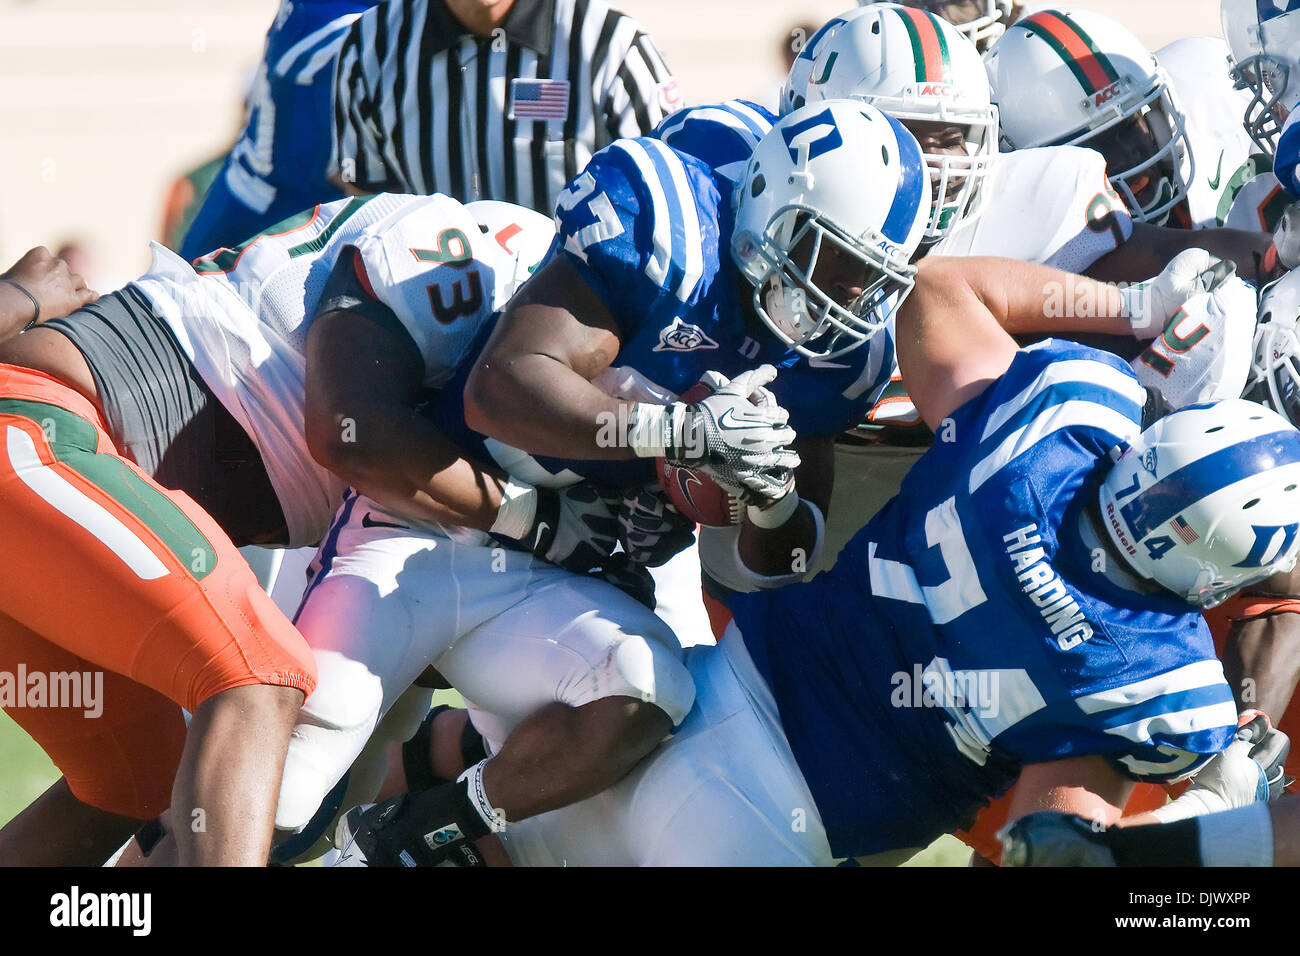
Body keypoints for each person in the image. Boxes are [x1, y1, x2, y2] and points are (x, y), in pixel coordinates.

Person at [440, 249, 1298, 866]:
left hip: (700, 700)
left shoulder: (1054, 426)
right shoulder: (1155, 680)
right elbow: (1053, 855)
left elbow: (941, 286)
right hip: (779, 832)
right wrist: (1217, 801)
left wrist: (1132, 307)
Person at [0, 193, 558, 865]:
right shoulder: (481, 257)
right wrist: (532, 516)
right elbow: (349, 433)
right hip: (39, 433)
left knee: (136, 779)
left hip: (50, 474)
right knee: (253, 679)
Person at [329, 0, 681, 215]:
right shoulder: (371, 48)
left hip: (580, 300)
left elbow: (676, 195)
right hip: (430, 302)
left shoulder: (612, 45)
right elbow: (365, 196)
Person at [178, 0, 379, 261]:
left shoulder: (324, 14)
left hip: (243, 208)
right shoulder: (355, 32)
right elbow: (359, 179)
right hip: (282, 234)